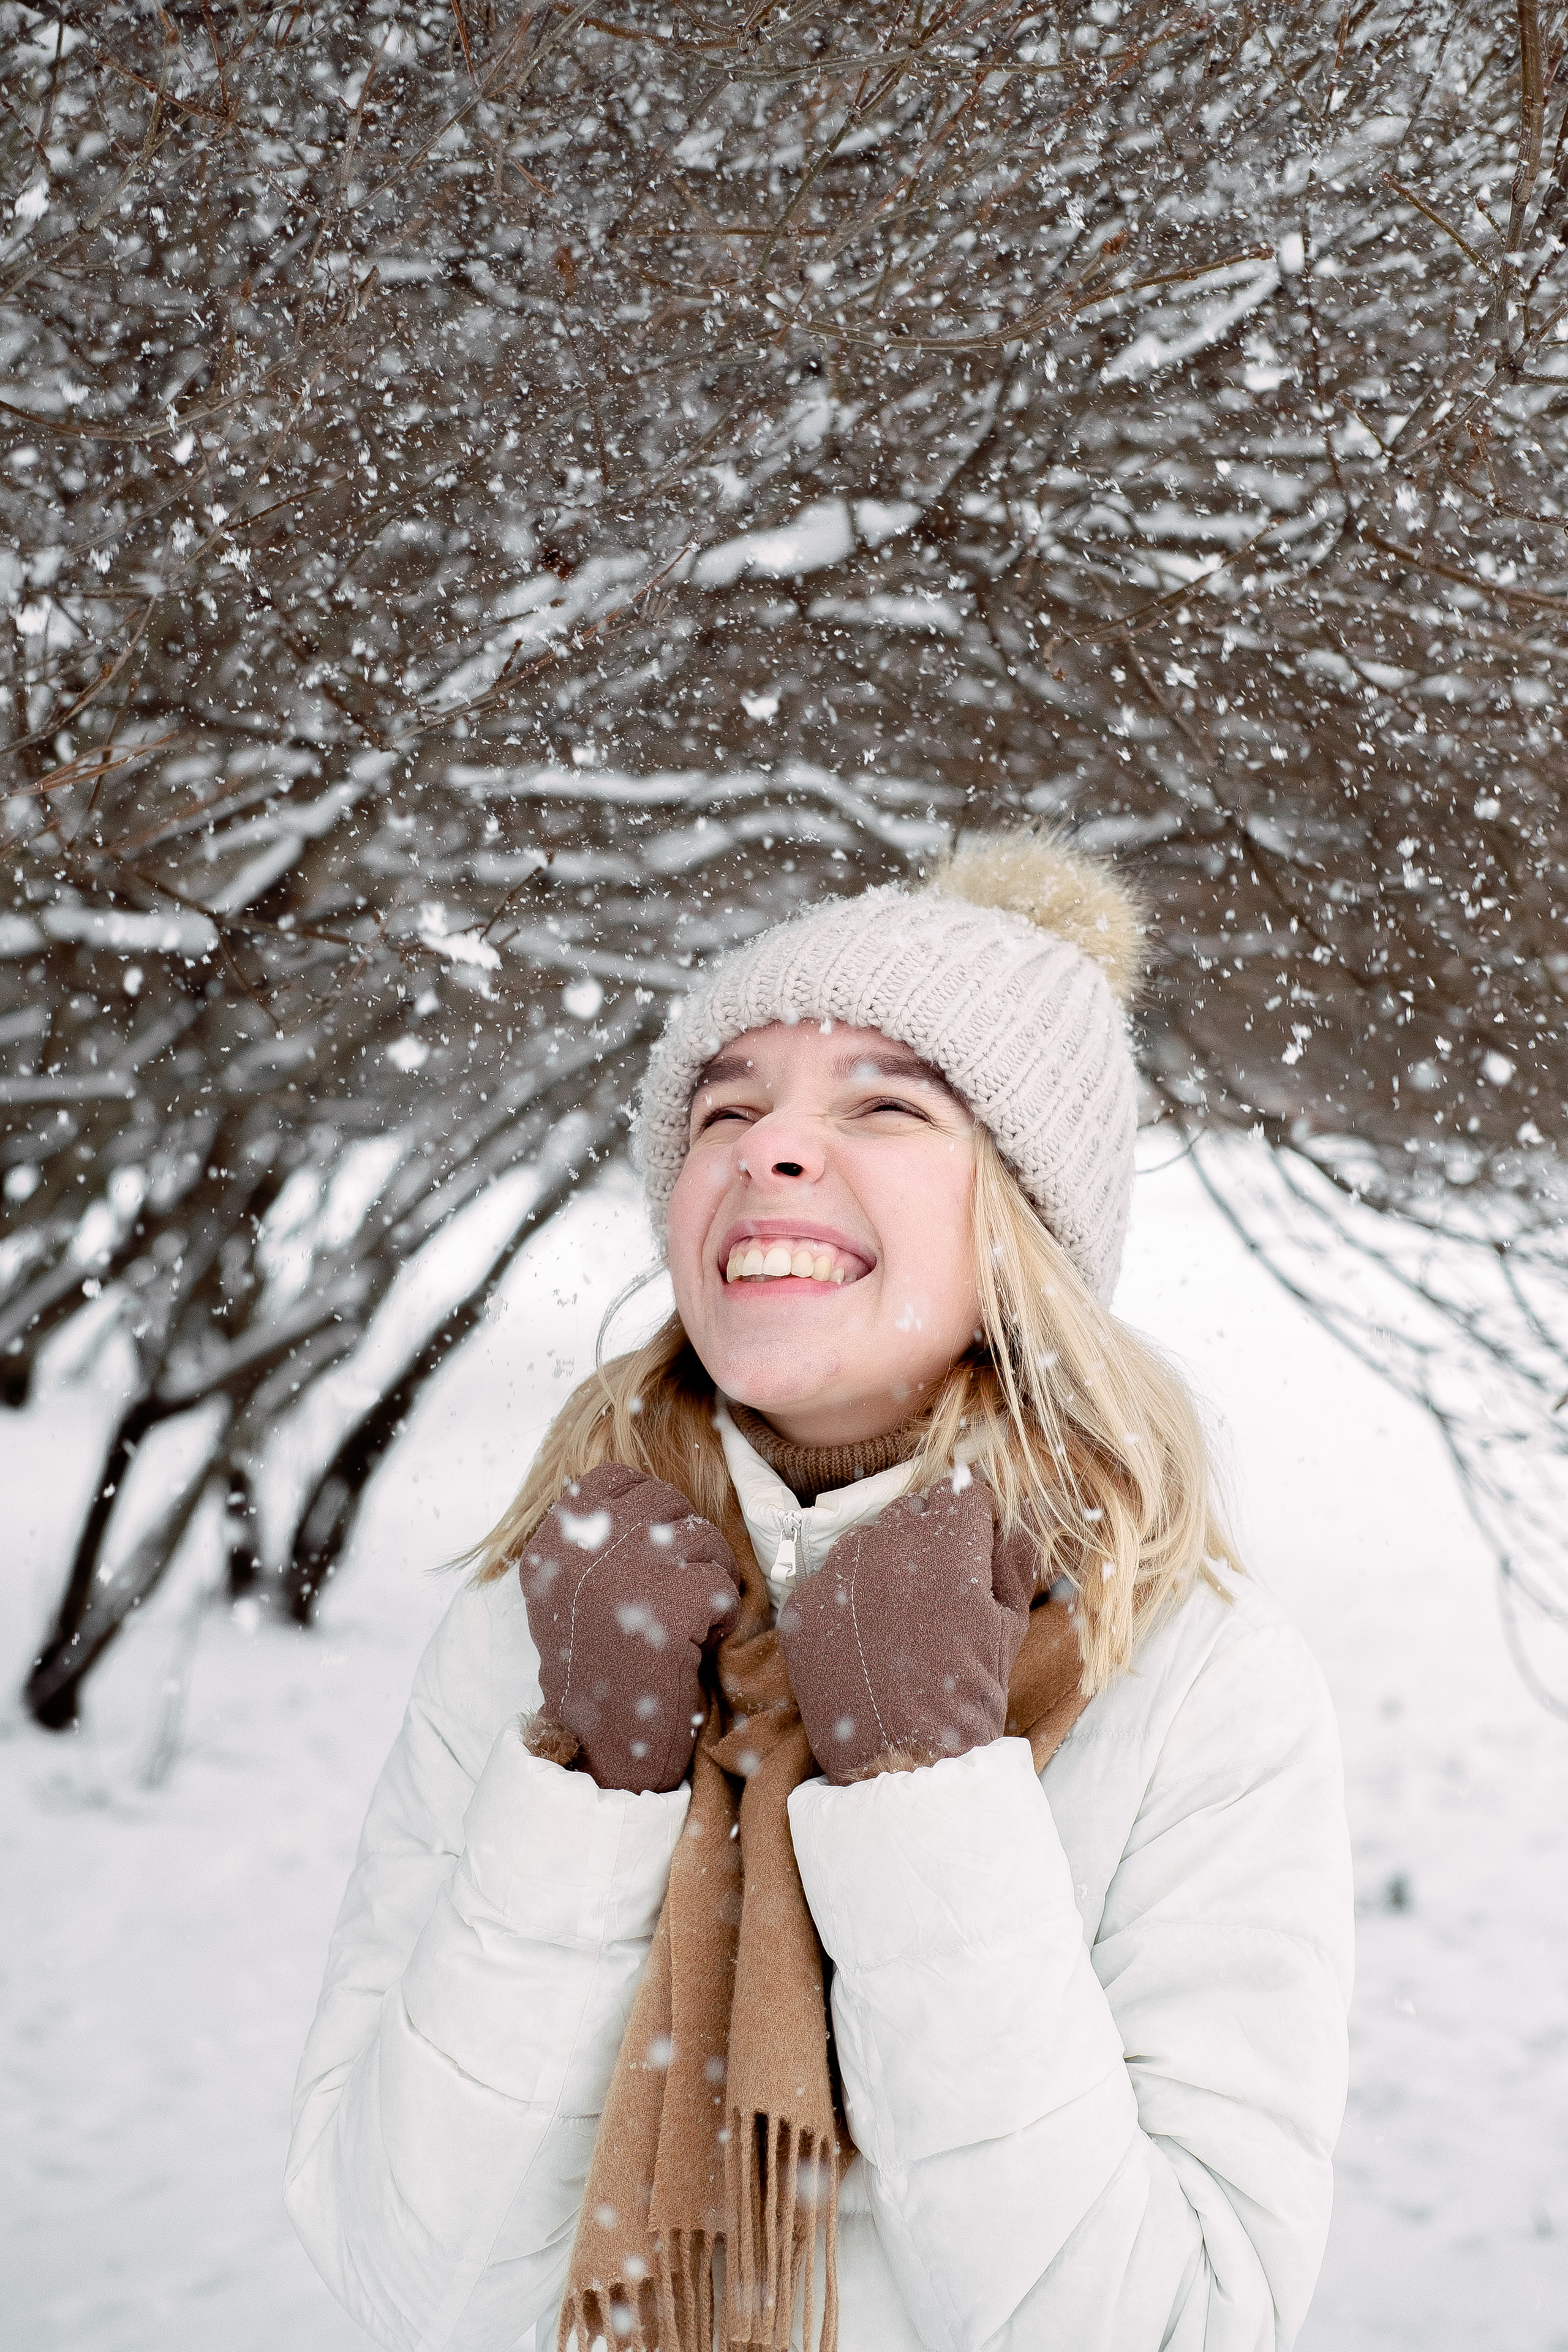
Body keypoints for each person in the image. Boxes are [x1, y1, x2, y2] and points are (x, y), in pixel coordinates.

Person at [285, 834, 1354, 2352]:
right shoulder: (553, 1624)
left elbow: (1175, 2327)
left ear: (1024, 1229)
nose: (767, 1150)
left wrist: (925, 1795)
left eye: (885, 1106)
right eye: (726, 1106)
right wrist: (594, 1784)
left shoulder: (1191, 1683)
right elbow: (400, 2273)